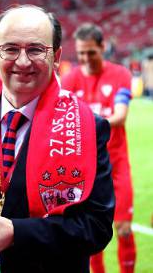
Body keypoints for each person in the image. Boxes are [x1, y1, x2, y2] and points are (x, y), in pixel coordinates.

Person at [0, 5, 114, 273]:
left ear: (57, 56)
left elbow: (95, 227)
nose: (23, 61)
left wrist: (18, 232)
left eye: (36, 50)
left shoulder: (86, 128)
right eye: (10, 49)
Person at [62, 23, 136, 273]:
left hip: (117, 166)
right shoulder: (70, 79)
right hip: (86, 170)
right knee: (91, 234)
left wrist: (84, 122)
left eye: (91, 52)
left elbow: (120, 116)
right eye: (81, 53)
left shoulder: (120, 75)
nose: (85, 58)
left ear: (103, 48)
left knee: (124, 230)